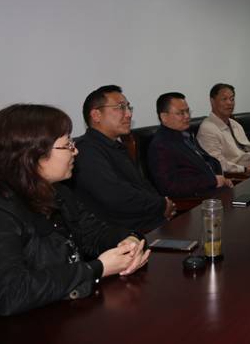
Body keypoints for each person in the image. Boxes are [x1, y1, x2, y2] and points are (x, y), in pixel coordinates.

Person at [0, 104, 150, 326]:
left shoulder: (57, 191)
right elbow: (9, 294)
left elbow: (94, 232)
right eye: (67, 144)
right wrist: (95, 269)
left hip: (65, 316)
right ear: (33, 155)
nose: (75, 151)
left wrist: (129, 240)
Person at [73, 85, 174, 233]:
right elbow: (116, 197)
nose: (128, 114)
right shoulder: (86, 151)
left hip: (151, 223)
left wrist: (163, 203)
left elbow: (142, 185)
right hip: (124, 236)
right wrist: (161, 205)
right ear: (96, 115)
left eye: (128, 107)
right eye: (120, 107)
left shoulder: (116, 146)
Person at [147, 92, 232, 197]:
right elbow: (169, 187)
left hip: (215, 190)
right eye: (180, 113)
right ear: (164, 117)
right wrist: (212, 181)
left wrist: (221, 179)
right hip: (197, 200)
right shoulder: (161, 146)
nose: (187, 116)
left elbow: (205, 163)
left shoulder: (185, 134)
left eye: (187, 111)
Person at [196, 83, 250, 175]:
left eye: (232, 99)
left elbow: (249, 147)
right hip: (237, 177)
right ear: (212, 101)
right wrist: (246, 169)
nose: (229, 103)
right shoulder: (207, 129)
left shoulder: (235, 124)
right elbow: (217, 164)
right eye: (224, 99)